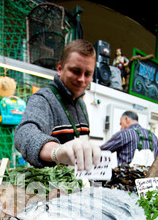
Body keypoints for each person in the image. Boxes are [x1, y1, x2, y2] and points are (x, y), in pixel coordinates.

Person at [14, 39, 101, 172]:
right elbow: (24, 133)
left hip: (74, 187)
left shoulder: (82, 105)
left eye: (87, 74)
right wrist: (56, 151)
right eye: (76, 71)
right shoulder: (43, 99)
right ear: (60, 69)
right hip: (47, 189)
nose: (82, 79)